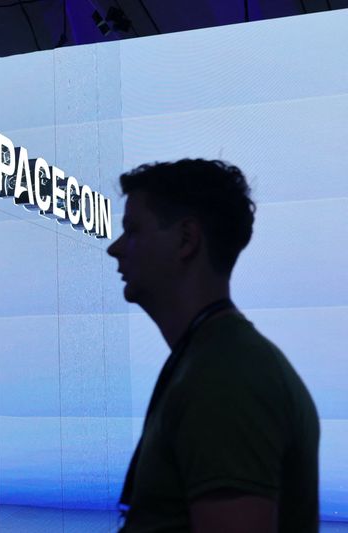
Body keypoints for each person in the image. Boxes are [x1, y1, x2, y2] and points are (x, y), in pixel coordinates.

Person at [106, 159, 319, 532]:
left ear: (187, 239)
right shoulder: (215, 360)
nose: (116, 248)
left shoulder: (226, 377)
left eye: (132, 230)